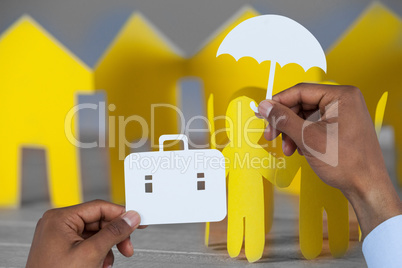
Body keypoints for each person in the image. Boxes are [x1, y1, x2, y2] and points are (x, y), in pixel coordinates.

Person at [26, 83, 402, 267]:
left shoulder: (237, 152)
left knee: (254, 228)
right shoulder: (224, 153)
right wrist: (372, 189)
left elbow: (274, 172)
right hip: (241, 199)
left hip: (257, 199)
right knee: (244, 227)